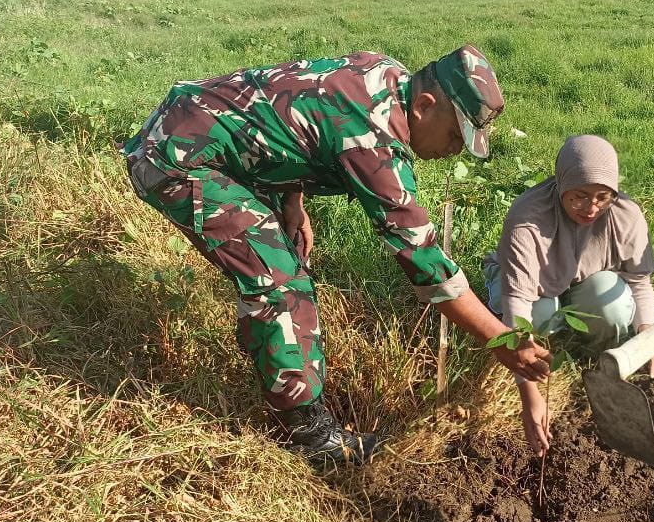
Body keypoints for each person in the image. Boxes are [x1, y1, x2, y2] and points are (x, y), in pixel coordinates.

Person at [122, 46, 552, 465]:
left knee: (276, 257)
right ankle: (307, 432)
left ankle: (268, 355)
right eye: (456, 134)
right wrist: (500, 340)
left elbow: (289, 114)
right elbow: (424, 260)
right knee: (279, 281)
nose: (455, 149)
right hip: (176, 159)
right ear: (424, 105)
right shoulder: (373, 140)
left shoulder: (384, 75)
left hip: (194, 131)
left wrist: (293, 201)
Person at [486, 135, 654, 384]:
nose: (591, 208)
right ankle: (548, 344)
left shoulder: (625, 216)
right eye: (580, 195)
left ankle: (595, 355)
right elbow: (517, 297)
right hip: (530, 285)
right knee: (539, 315)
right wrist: (524, 371)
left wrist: (648, 337)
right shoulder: (528, 217)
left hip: (583, 281)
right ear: (563, 184)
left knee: (612, 306)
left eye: (602, 196)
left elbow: (639, 282)